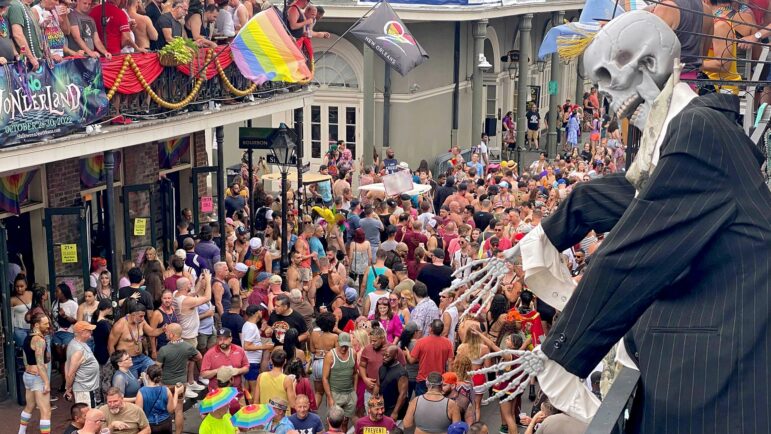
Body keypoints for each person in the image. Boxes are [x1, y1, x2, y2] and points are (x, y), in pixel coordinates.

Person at [107, 302, 164, 377]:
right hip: (128, 361)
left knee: (155, 371)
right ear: (133, 314)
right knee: (134, 384)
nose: (143, 318)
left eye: (144, 316)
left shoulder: (141, 321)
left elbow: (151, 332)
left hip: (141, 357)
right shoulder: (120, 325)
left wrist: (163, 329)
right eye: (141, 316)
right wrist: (117, 365)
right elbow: (110, 346)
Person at [18, 314, 51, 434]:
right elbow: (40, 364)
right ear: (37, 325)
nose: (48, 326)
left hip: (28, 376)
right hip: (38, 378)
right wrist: (46, 382)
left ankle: (21, 432)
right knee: (46, 411)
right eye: (45, 324)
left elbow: (25, 357)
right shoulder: (39, 340)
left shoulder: (27, 338)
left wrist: (28, 368)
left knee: (30, 406)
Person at [405, 319, 454, 397]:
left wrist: (407, 352)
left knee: (421, 405)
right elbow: (450, 362)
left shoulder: (420, 342)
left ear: (430, 329)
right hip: (439, 379)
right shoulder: (448, 343)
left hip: (423, 379)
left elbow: (411, 361)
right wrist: (449, 380)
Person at [323, 332, 358, 432]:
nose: (344, 348)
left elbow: (355, 373)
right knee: (332, 422)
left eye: (346, 346)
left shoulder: (353, 353)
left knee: (345, 421)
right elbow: (324, 378)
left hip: (349, 394)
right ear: (337, 343)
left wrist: (354, 390)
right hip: (335, 394)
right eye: (342, 346)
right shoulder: (330, 356)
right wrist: (329, 397)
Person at [200, 328, 249, 392]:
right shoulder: (210, 353)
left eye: (225, 339)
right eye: (220, 339)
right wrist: (218, 370)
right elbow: (203, 374)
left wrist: (238, 371)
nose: (222, 341)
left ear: (230, 339)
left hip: (236, 391)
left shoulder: (239, 350)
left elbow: (246, 367)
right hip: (217, 392)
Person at [135, 364, 180, 434]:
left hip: (149, 425)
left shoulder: (141, 392)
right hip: (165, 423)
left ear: (147, 376)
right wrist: (176, 393)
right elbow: (171, 409)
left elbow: (138, 413)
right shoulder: (166, 390)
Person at [242, 304, 272, 403]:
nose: (261, 313)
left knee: (247, 387)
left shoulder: (249, 325)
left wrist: (261, 330)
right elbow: (247, 346)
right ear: (256, 313)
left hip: (250, 361)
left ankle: (246, 406)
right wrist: (265, 347)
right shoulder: (251, 327)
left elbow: (252, 338)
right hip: (252, 362)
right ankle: (253, 409)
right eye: (260, 311)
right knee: (255, 388)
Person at [374, 345, 409, 421]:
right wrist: (373, 399)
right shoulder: (382, 367)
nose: (384, 358)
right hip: (384, 407)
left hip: (395, 410)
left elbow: (403, 395)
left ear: (395, 356)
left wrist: (395, 412)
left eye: (387, 356)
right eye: (384, 355)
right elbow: (378, 384)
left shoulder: (401, 373)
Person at [10, 274, 31, 347]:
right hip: (19, 329)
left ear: (26, 285)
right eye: (17, 286)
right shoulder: (12, 300)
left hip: (33, 328)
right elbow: (11, 317)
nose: (19, 289)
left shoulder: (31, 294)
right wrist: (12, 333)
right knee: (24, 350)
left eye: (21, 286)